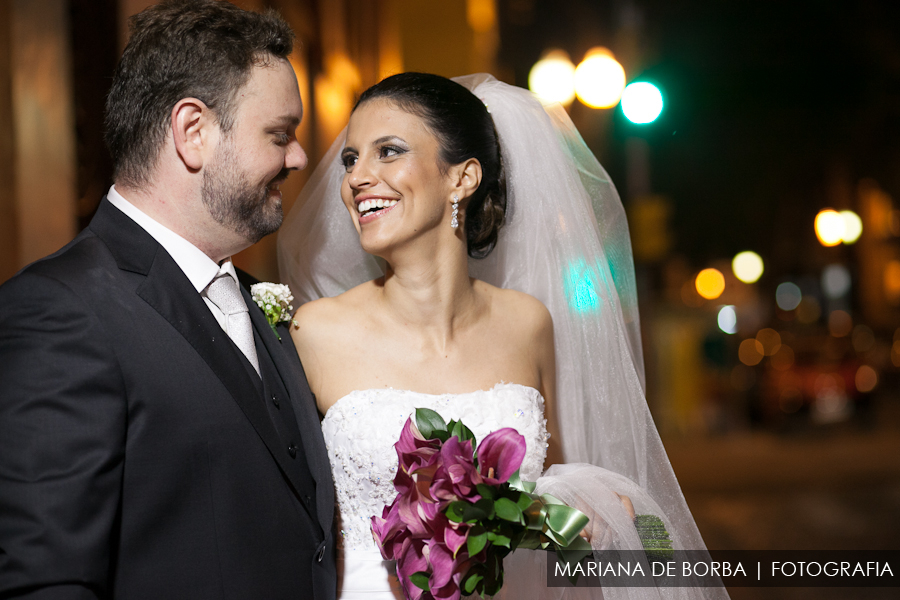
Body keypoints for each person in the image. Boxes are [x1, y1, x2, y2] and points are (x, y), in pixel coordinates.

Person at [278, 73, 728, 599]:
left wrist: (579, 516)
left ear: (463, 177)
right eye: (352, 159)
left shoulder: (528, 324)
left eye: (389, 151)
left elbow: (547, 490)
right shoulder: (314, 332)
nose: (357, 178)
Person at [0, 1, 335, 598]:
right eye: (280, 134)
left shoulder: (265, 303)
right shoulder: (59, 311)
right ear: (192, 131)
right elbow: (47, 578)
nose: (299, 158)